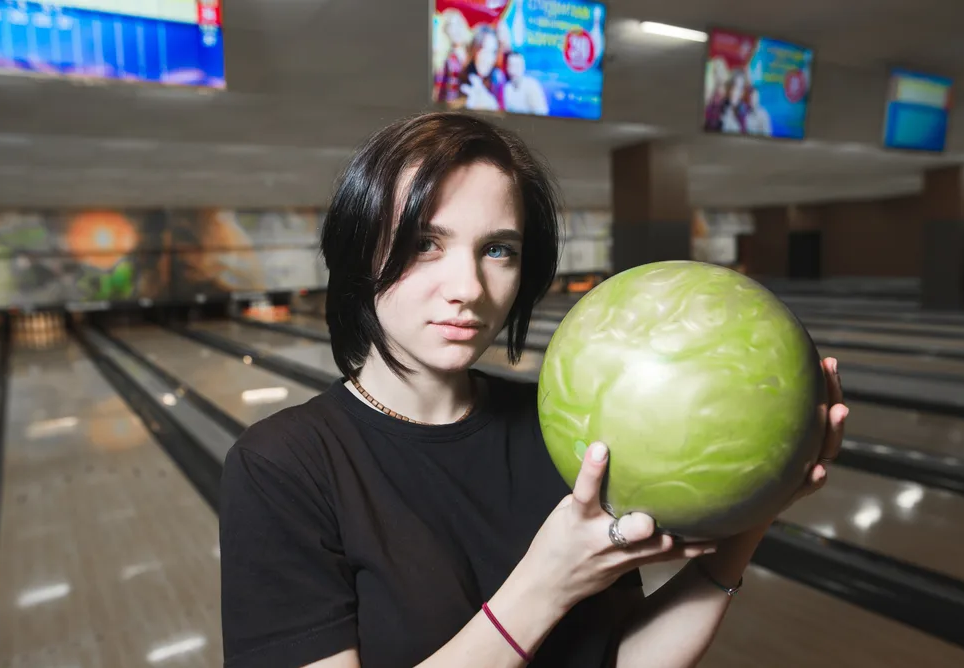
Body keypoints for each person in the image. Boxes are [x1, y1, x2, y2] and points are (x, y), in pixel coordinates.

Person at [218, 112, 848, 668]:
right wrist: (545, 586)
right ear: (358, 252)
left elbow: (622, 659)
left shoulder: (561, 428)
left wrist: (751, 517)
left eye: (498, 249)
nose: (467, 286)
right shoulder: (282, 466)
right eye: (424, 244)